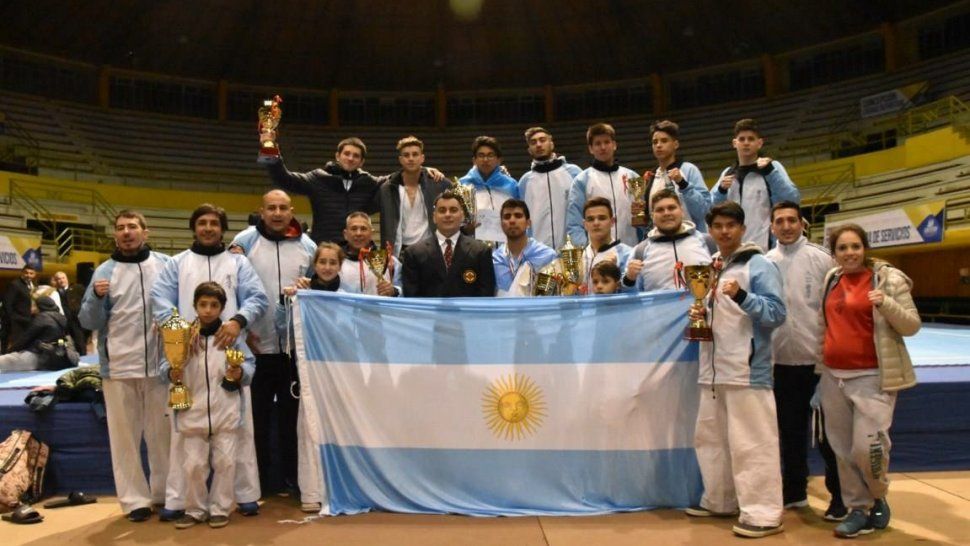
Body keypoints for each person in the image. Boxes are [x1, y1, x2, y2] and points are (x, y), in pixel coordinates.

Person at [151, 203, 269, 518]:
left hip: (229, 348)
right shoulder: (177, 263)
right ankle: (179, 499)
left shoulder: (238, 263)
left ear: (222, 229)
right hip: (188, 354)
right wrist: (180, 331)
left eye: (214, 223)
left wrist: (238, 322)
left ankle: (244, 492)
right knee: (185, 434)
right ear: (193, 227)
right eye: (202, 222)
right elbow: (159, 299)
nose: (207, 228)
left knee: (238, 428)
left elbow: (258, 298)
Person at [686, 201, 787, 539]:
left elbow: (776, 313)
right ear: (710, 231)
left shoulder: (759, 264)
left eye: (731, 225)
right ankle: (720, 499)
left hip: (747, 371)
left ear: (742, 229)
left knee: (753, 444)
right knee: (710, 440)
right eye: (718, 226)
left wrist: (743, 296)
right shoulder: (713, 266)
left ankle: (763, 514)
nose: (724, 231)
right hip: (712, 371)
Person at [819, 224, 920, 539]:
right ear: (834, 254)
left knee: (868, 448)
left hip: (872, 378)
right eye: (842, 248)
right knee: (842, 449)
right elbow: (826, 324)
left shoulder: (888, 279)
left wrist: (886, 303)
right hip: (832, 377)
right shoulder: (831, 279)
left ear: (865, 249)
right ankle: (858, 509)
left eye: (855, 246)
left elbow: (912, 325)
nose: (849, 253)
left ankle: (878, 494)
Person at [77, 210, 172, 522]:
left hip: (160, 366)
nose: (127, 232)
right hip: (118, 367)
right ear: (115, 235)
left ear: (145, 231)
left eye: (132, 226)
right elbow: (87, 321)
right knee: (125, 439)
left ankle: (164, 494)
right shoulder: (104, 271)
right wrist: (95, 296)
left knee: (163, 435)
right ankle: (135, 501)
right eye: (120, 228)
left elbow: (180, 305)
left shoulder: (165, 265)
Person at [228, 190, 316, 497]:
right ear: (261, 211)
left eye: (282, 208)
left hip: (293, 350)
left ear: (291, 211)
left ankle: (293, 479)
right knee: (257, 420)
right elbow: (230, 288)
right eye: (271, 208)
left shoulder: (308, 246)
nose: (277, 213)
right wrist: (242, 331)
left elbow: (318, 291)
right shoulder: (244, 241)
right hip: (254, 348)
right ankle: (260, 482)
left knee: (293, 420)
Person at [764, 202, 845, 520]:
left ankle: (839, 496)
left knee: (828, 435)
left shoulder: (822, 259)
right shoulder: (765, 262)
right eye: (780, 221)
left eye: (791, 220)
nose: (786, 226)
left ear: (802, 224)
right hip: (782, 362)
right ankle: (795, 490)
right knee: (790, 431)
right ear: (771, 226)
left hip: (819, 361)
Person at [161, 282, 255, 529]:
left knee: (225, 463)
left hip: (225, 409)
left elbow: (250, 364)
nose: (208, 310)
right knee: (193, 465)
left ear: (222, 308)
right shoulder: (182, 336)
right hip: (192, 411)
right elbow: (165, 365)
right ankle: (195, 509)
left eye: (214, 305)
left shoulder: (232, 337)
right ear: (194, 306)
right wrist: (171, 373)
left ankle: (220, 508)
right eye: (203, 304)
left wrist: (240, 373)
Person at [279, 242, 345, 513]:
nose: (327, 267)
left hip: (338, 373)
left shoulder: (348, 297)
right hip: (308, 371)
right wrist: (286, 302)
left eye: (333, 262)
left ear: (340, 266)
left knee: (338, 429)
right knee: (308, 427)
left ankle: (336, 487)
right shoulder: (300, 295)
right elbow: (282, 327)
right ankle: (311, 490)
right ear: (314, 265)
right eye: (322, 262)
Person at [263, 136, 380, 245]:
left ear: (362, 162)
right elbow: (282, 178)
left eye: (356, 156)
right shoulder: (318, 178)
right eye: (347, 154)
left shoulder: (369, 182)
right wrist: (268, 145)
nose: (350, 158)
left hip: (356, 252)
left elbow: (390, 182)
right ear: (337, 156)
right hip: (323, 251)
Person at [712, 118, 800, 251]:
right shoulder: (727, 173)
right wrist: (721, 191)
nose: (746, 143)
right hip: (733, 248)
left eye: (751, 139)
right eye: (742, 139)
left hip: (766, 248)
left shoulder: (772, 168)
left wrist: (771, 173)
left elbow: (792, 200)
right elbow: (712, 210)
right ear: (735, 143)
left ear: (759, 143)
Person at [401, 191, 496, 297]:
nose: (447, 214)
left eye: (453, 210)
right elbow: (411, 297)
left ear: (462, 216)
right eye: (442, 210)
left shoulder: (481, 252)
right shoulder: (414, 253)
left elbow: (486, 294)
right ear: (434, 217)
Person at [622, 189, 713, 293]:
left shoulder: (708, 242)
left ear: (682, 211)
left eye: (671, 208)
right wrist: (629, 280)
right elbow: (631, 295)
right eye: (660, 210)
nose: (666, 213)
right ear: (652, 216)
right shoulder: (640, 252)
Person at [566, 123, 640, 247]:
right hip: (598, 252)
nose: (603, 147)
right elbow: (574, 223)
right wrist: (587, 250)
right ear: (591, 149)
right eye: (598, 143)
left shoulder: (633, 177)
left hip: (631, 249)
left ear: (614, 145)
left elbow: (643, 216)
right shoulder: (581, 181)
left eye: (607, 142)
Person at [377, 136, 450, 257]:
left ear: (422, 158)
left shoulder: (438, 183)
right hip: (399, 252)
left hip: (431, 249)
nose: (411, 158)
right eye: (406, 155)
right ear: (400, 159)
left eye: (415, 154)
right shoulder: (387, 189)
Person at [517, 127, 581, 249]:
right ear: (529, 150)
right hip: (538, 252)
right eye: (533, 142)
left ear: (551, 144)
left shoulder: (574, 173)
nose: (538, 145)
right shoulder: (524, 182)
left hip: (572, 250)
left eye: (542, 140)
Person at [642, 120, 711, 232]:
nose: (658, 145)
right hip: (660, 240)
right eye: (655, 142)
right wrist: (640, 214)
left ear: (675, 144)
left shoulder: (689, 170)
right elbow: (650, 220)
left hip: (690, 238)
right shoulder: (651, 177)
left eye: (664, 141)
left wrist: (683, 184)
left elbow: (704, 211)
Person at [458, 136, 520, 244]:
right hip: (473, 246)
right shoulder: (462, 186)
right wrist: (465, 229)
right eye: (481, 155)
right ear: (474, 160)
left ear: (499, 160)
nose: (485, 160)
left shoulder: (511, 185)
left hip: (507, 247)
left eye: (490, 155)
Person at [492, 199, 558, 297]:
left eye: (518, 216)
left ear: (528, 223)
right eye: (507, 217)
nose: (512, 221)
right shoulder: (495, 260)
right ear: (501, 225)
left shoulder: (547, 256)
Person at [579, 197, 632, 295]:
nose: (596, 223)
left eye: (602, 218)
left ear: (612, 221)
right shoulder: (579, 257)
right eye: (590, 219)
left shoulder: (628, 254)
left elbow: (633, 294)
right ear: (585, 224)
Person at [340, 212, 402, 296]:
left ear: (371, 233)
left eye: (363, 229)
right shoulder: (335, 261)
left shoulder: (390, 261)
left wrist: (394, 291)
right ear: (345, 234)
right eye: (354, 229)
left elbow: (405, 289)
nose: (358, 233)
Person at [0, 296, 66, 372]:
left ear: (39, 306)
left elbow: (25, 339)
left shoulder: (43, 317)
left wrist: (9, 351)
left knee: (4, 361)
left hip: (38, 356)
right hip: (56, 357)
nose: (32, 307)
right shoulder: (62, 318)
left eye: (34, 305)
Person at [2, 264, 37, 352]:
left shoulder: (33, 285)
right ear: (22, 273)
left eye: (31, 273)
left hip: (28, 320)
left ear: (34, 275)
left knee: (23, 347)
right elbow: (7, 304)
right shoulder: (15, 284)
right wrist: (13, 320)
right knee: (12, 348)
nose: (28, 275)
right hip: (16, 322)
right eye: (26, 273)